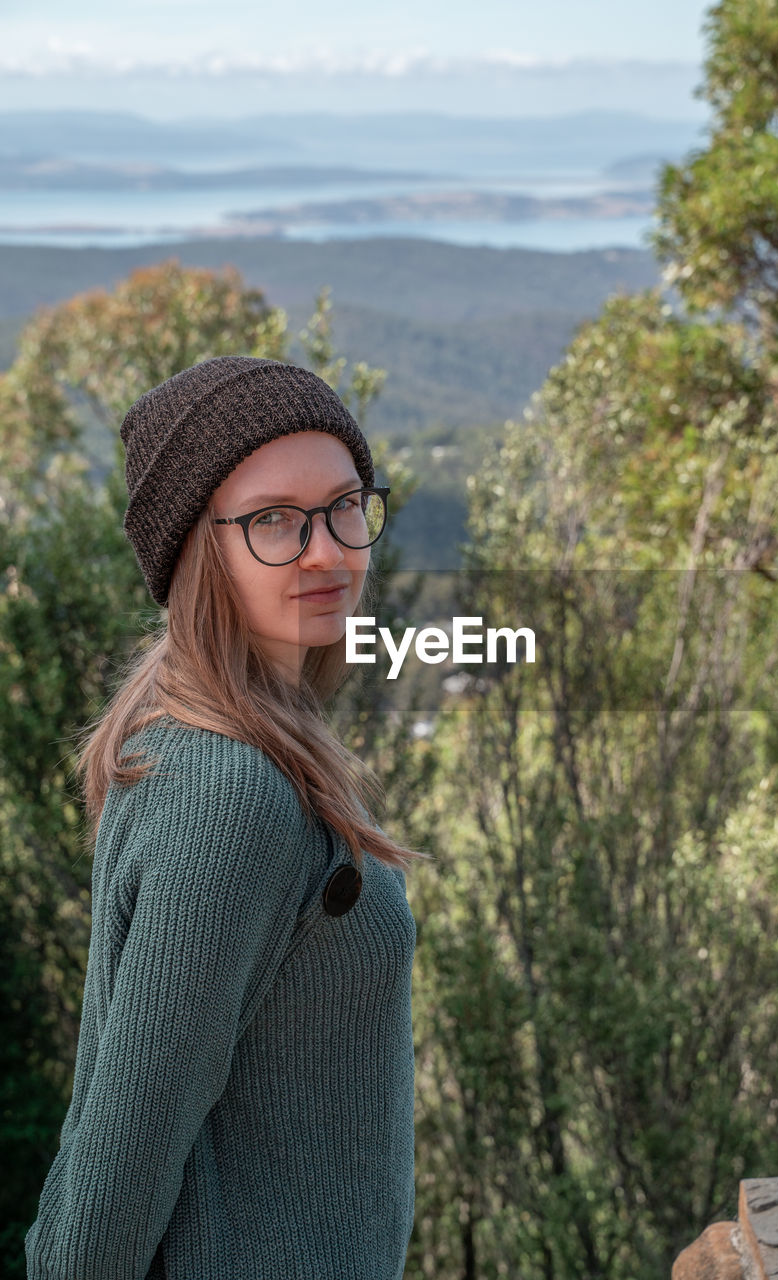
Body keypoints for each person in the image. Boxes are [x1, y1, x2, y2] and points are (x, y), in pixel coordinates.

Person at [24, 356, 421, 1280]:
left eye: (345, 504)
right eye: (274, 522)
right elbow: (115, 1166)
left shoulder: (251, 747)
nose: (328, 549)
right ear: (200, 551)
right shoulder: (228, 799)